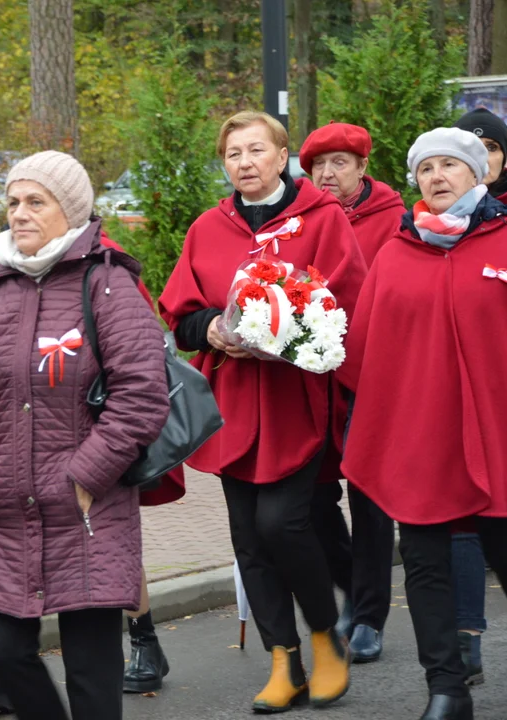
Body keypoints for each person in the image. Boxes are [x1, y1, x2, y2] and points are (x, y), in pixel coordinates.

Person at [0, 150, 171, 720]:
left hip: (86, 508)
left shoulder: (107, 283)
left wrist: (84, 476)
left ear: (70, 211)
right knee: (4, 649)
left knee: (91, 674)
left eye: (35, 202)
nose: (18, 214)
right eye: (13, 202)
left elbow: (141, 395)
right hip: (4, 504)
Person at [159, 111, 366, 713]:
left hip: (296, 401)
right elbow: (183, 314)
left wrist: (294, 329)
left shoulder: (322, 219)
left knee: (285, 524)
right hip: (233, 401)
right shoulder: (207, 228)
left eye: (256, 150)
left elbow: (348, 301)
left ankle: (325, 634)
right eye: (233, 154)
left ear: (282, 158)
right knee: (248, 538)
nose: (244, 162)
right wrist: (213, 328)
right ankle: (284, 658)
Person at [338, 128, 507, 720]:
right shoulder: (396, 253)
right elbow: (364, 352)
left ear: (478, 174)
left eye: (451, 166)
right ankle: (446, 689)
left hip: (501, 439)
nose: (437, 177)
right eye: (426, 168)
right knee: (425, 564)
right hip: (422, 441)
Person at [298, 122, 402, 663]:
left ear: (363, 168)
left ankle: (368, 616)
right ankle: (346, 584)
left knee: (369, 496)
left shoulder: (394, 221)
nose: (327, 174)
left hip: (370, 377)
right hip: (312, 379)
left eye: (340, 163)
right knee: (313, 496)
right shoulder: (303, 218)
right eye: (318, 165)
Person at [447, 109, 507, 686]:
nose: (481, 155)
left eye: (490, 146)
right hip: (451, 406)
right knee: (460, 523)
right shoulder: (430, 229)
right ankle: (466, 642)